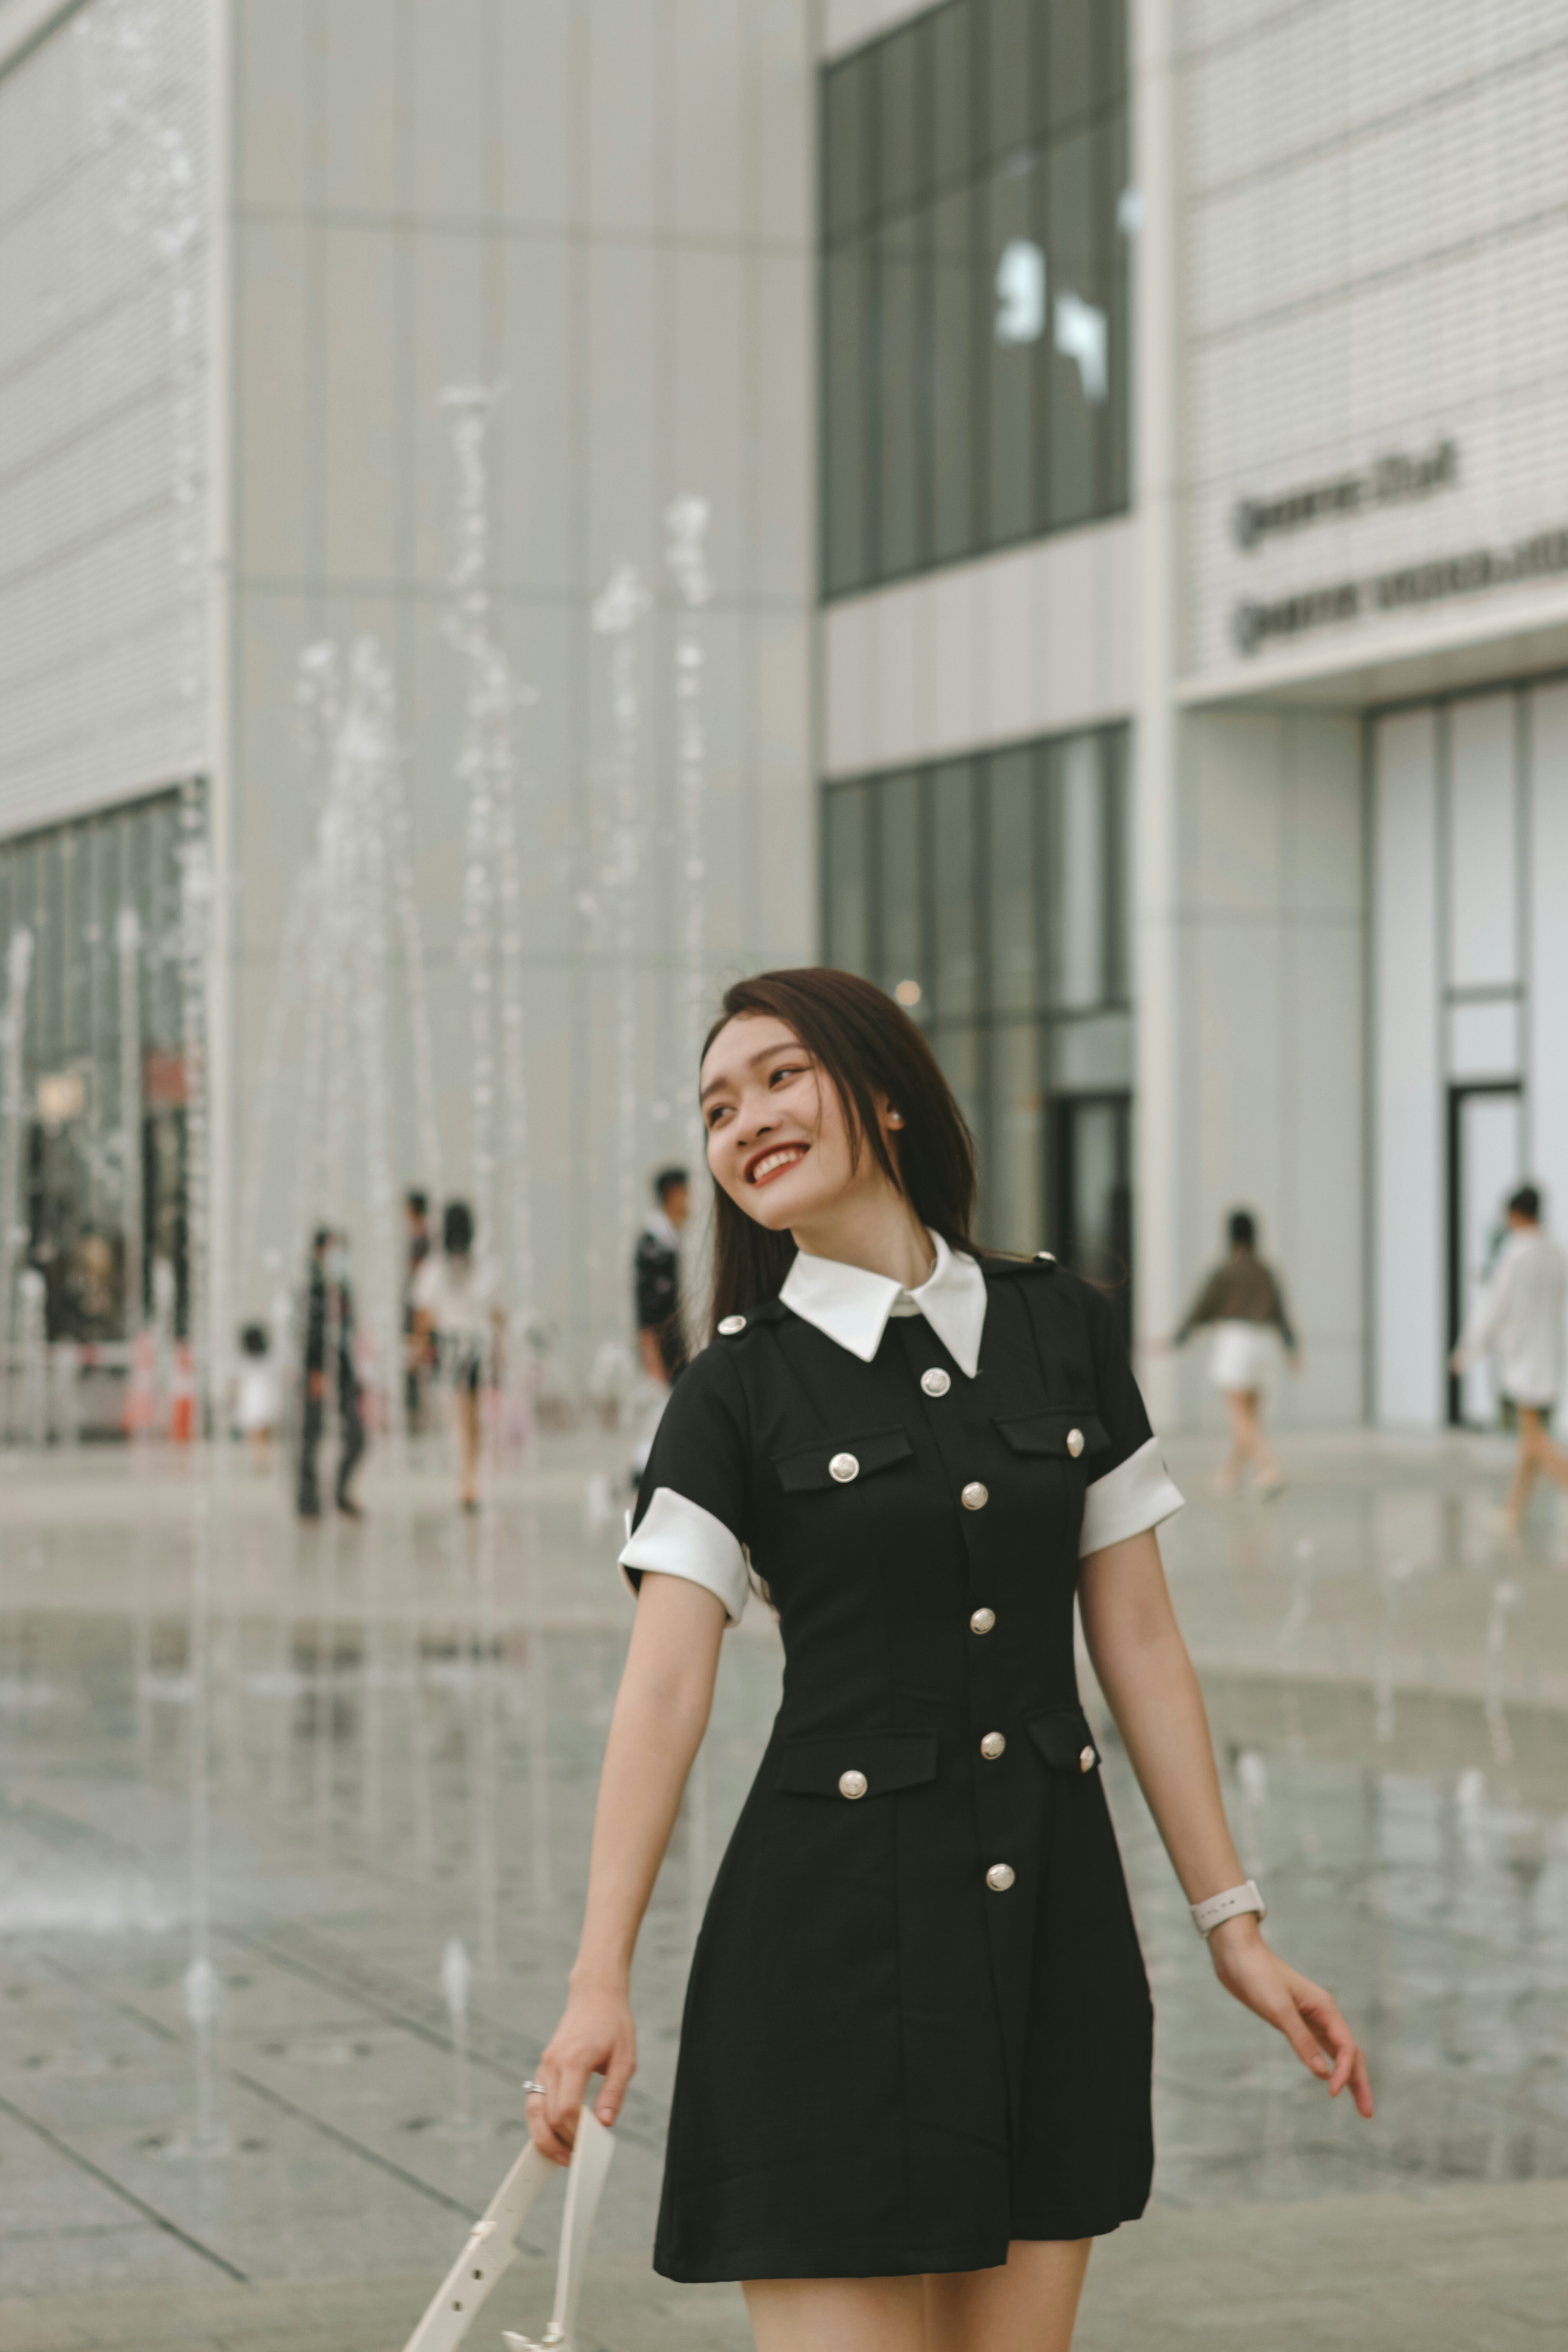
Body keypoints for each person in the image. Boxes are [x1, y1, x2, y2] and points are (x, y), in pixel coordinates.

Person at [525, 969, 1370, 2352]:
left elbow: (1143, 1646)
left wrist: (1239, 1928)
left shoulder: (1065, 1331)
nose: (747, 1123)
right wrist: (595, 1981)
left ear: (890, 1093)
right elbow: (667, 1690)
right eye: (718, 1108)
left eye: (781, 1078)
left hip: (1051, 1939)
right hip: (823, 1957)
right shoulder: (733, 1390)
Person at [1451, 1182, 1568, 1533]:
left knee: (1533, 1441)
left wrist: (1468, 1351)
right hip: (1549, 1356)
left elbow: (1493, 1308)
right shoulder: (1555, 1253)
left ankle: (1518, 1508)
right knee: (1529, 1440)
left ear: (1515, 1215)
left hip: (1523, 1358)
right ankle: (1515, 1510)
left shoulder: (1515, 1255)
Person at [1174, 1208, 1298, 1498]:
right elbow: (1281, 1311)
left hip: (1235, 1344)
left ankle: (1269, 1468)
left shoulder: (1225, 1271)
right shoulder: (1265, 1270)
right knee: (1250, 1416)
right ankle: (1231, 1474)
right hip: (1264, 1344)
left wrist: (1182, 1336)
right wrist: (1291, 1347)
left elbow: (1202, 1306)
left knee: (1239, 1415)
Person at [410, 1200, 502, 1512]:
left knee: (464, 1414)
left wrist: (421, 1343)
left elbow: (424, 1312)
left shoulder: (434, 1269)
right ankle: (469, 1478)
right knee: (470, 1416)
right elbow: (494, 1311)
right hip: (473, 1343)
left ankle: (468, 1477)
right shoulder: (475, 1267)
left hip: (454, 1344)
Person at [298, 1229, 365, 1522]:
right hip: (316, 1369)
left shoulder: (344, 1287)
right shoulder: (311, 1287)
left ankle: (340, 1492)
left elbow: (347, 1333)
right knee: (312, 1436)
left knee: (358, 1436)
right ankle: (308, 1501)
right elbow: (309, 1333)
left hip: (344, 1369)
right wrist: (315, 1371)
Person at [634, 1166, 691, 1386]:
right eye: (688, 1192)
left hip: (678, 1358)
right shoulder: (653, 1245)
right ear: (674, 1194)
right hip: (667, 1366)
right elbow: (646, 1315)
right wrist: (655, 1370)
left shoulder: (674, 1239)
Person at [404, 1189, 434, 1432]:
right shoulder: (420, 1236)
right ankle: (416, 1415)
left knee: (418, 1360)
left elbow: (422, 1276)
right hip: (416, 1307)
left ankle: (419, 1417)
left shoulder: (423, 1238)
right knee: (415, 1361)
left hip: (420, 1309)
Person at [235, 1321, 279, 1469]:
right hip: (264, 1394)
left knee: (257, 1432)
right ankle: (261, 1457)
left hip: (252, 1396)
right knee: (262, 1432)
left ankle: (260, 1457)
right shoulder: (267, 1358)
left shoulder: (245, 1360)